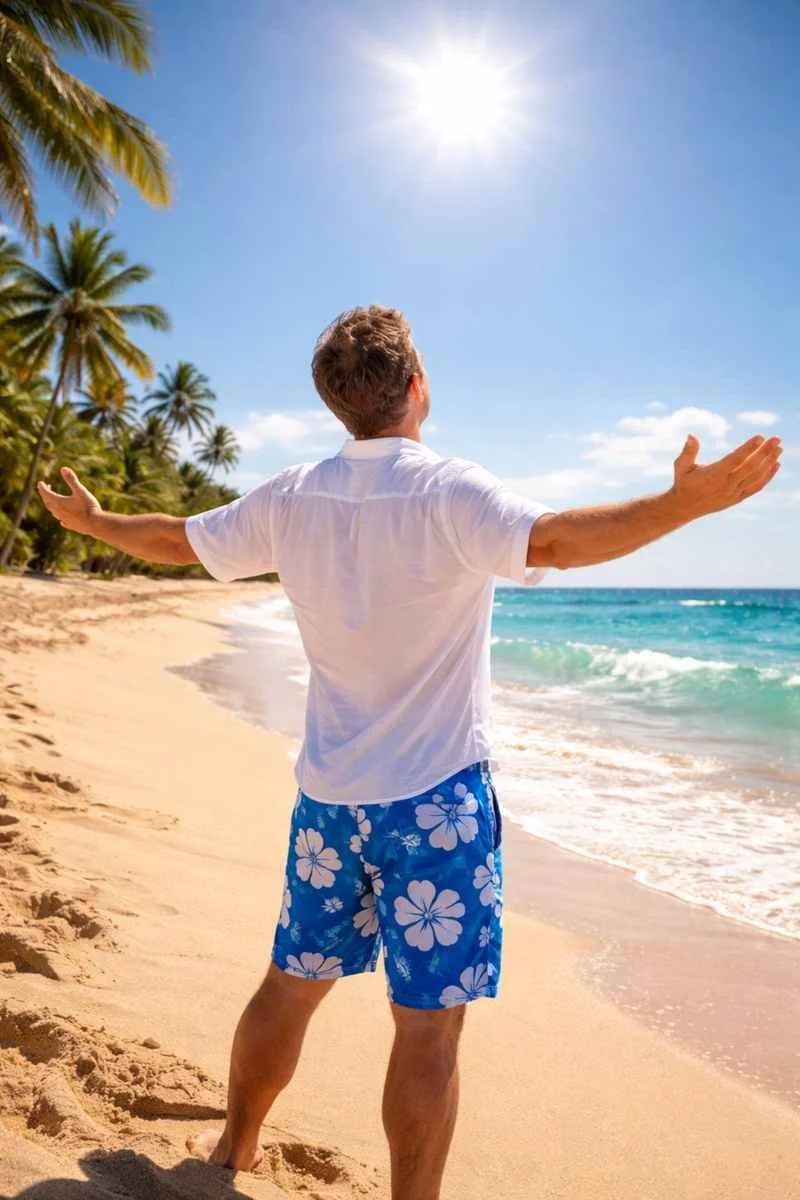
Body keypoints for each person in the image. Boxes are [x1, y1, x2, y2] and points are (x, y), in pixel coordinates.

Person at [38, 306, 782, 1200]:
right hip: (436, 804)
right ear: (418, 386)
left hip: (329, 802)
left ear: (335, 404)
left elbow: (176, 539)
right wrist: (680, 506)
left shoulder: (291, 495)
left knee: (289, 985)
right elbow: (555, 540)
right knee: (427, 1032)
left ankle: (234, 1149)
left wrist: (96, 522)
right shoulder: (449, 491)